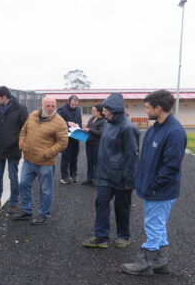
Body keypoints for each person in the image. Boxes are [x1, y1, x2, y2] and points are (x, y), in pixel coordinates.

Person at [121, 89, 187, 275]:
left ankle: (145, 264)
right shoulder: (155, 128)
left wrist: (153, 186)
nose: (145, 111)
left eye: (148, 107)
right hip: (152, 188)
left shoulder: (174, 132)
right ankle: (160, 261)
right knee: (157, 224)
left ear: (159, 108)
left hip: (160, 191)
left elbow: (171, 166)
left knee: (153, 224)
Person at [82, 93, 140, 248]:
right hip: (104, 174)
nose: (104, 112)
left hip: (121, 175)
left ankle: (124, 236)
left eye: (107, 110)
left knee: (122, 207)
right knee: (101, 202)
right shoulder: (108, 123)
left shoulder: (128, 128)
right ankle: (101, 236)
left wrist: (130, 180)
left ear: (116, 110)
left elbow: (132, 155)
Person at [12, 96, 68, 225]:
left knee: (46, 190)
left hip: (45, 163)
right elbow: (23, 131)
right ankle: (27, 210)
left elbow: (63, 142)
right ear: (41, 105)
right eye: (48, 105)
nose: (50, 108)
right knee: (24, 184)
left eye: (53, 106)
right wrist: (22, 144)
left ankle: (44, 214)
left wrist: (47, 153)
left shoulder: (59, 122)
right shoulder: (32, 115)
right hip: (29, 160)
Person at [0, 86, 29, 214]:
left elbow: (25, 129)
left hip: (13, 148)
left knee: (12, 176)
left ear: (5, 97)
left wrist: (19, 143)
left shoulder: (20, 109)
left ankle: (13, 203)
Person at [57, 95, 82, 184]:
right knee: (66, 156)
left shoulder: (78, 110)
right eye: (72, 105)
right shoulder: (62, 110)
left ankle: (73, 174)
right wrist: (67, 123)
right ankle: (64, 176)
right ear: (68, 102)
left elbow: (80, 122)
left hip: (76, 135)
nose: (74, 106)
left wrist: (81, 131)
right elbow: (57, 121)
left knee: (74, 156)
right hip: (66, 136)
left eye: (75, 104)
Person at [80, 104, 106, 186]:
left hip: (96, 145)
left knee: (96, 163)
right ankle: (90, 179)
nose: (92, 112)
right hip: (89, 143)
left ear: (99, 112)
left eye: (93, 110)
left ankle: (97, 180)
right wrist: (83, 130)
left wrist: (90, 130)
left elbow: (100, 133)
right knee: (89, 162)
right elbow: (88, 129)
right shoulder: (92, 118)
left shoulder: (103, 121)